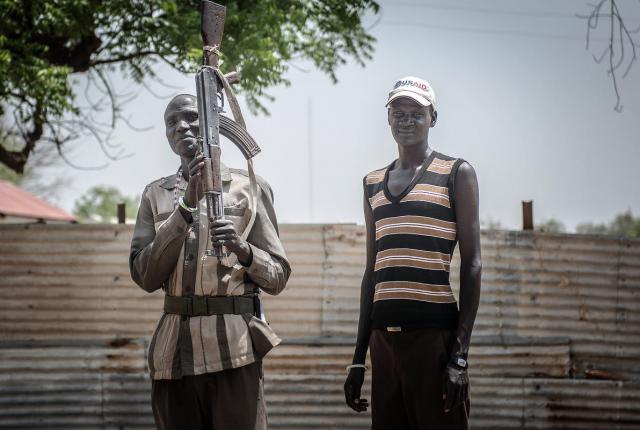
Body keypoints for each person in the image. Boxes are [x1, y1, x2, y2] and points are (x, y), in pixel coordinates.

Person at [129, 94, 290, 430]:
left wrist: (242, 248)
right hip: (172, 356)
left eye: (190, 116)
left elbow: (277, 277)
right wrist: (185, 208)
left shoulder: (251, 189)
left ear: (213, 123)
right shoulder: (154, 194)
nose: (180, 126)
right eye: (171, 122)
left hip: (235, 352)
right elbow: (144, 275)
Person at [343, 77, 482, 429]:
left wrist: (459, 358)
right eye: (398, 112)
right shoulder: (372, 182)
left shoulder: (456, 174)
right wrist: (358, 360)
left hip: (433, 341)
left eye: (416, 113)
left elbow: (473, 264)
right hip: (383, 344)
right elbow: (372, 273)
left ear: (433, 118)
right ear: (388, 118)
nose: (406, 120)